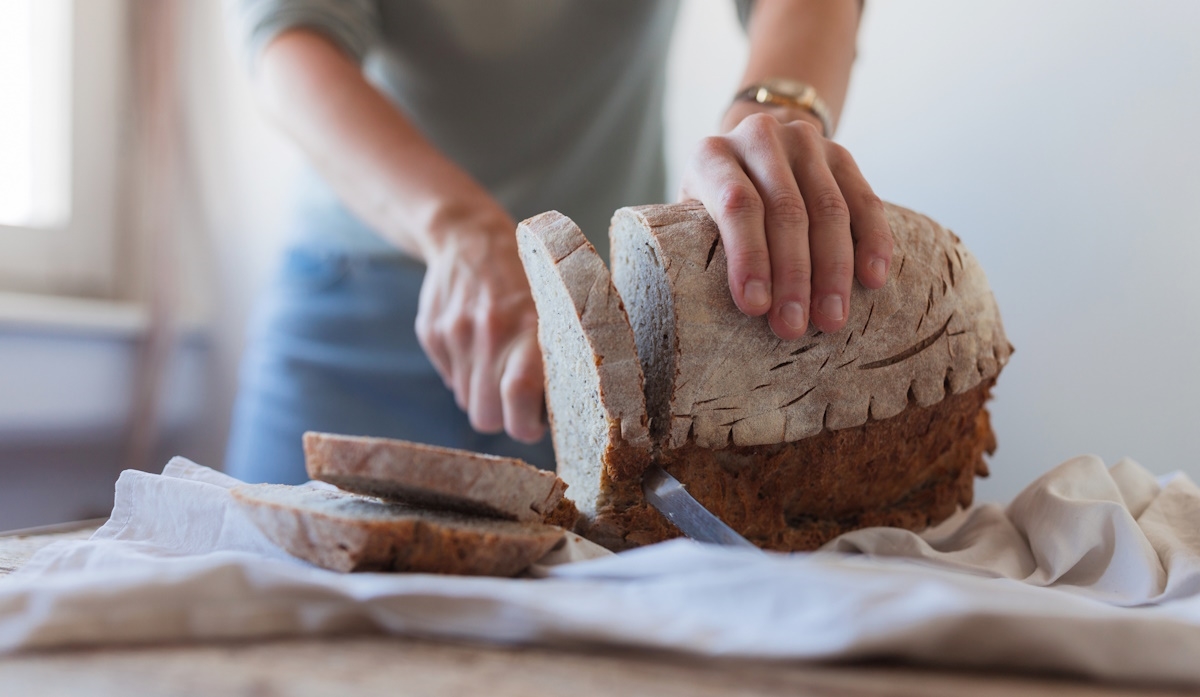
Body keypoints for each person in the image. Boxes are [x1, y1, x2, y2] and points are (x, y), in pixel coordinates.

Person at [224, 0, 893, 484]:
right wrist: (460, 227)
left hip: (604, 329)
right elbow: (289, 40)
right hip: (354, 307)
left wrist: (772, 115)